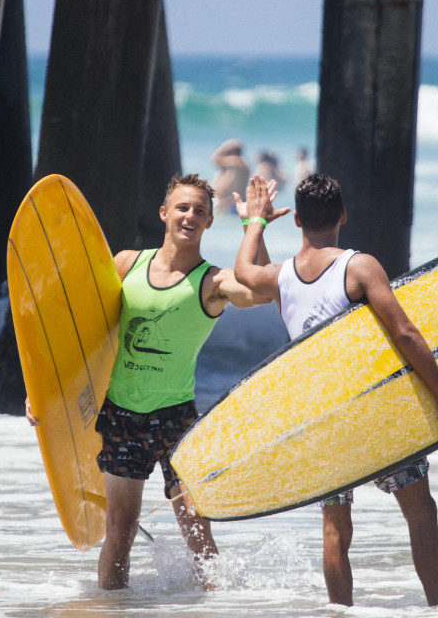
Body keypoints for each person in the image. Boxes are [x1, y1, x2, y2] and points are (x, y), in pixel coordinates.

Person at [28, 173, 273, 590]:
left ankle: (218, 607)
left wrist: (256, 224)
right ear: (164, 213)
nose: (190, 216)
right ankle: (111, 611)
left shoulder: (212, 283)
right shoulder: (127, 264)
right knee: (120, 533)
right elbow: (77, 334)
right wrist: (43, 394)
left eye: (200, 210)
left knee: (195, 528)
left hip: (176, 420)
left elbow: (262, 291)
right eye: (182, 207)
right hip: (121, 415)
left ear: (210, 222)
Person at [233, 173, 438, 607]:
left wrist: (256, 222)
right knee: (420, 513)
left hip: (321, 421)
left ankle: (340, 613)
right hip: (373, 415)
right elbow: (405, 334)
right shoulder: (358, 267)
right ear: (343, 214)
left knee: (336, 529)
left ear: (297, 219)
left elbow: (246, 272)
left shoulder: (281, 277)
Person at [210, 139, 249, 215]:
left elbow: (214, 159)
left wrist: (223, 146)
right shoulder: (234, 166)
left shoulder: (237, 161)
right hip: (229, 204)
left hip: (233, 204)